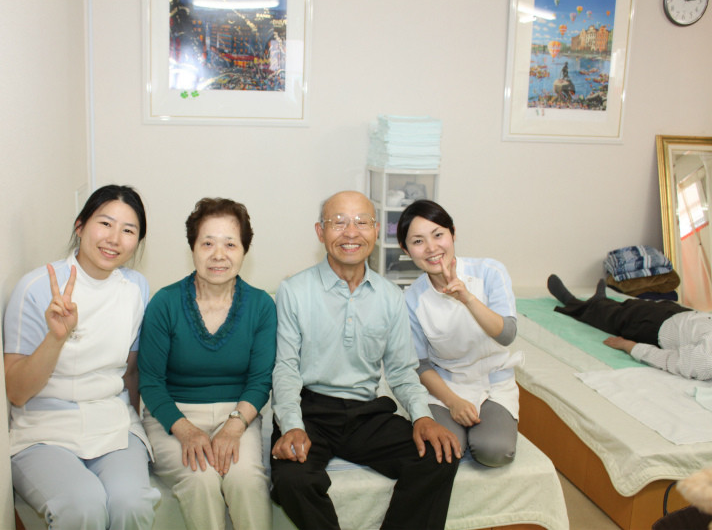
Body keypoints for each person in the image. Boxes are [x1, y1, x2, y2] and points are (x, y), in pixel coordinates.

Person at [270, 190, 461, 530]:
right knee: (291, 480)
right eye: (338, 222)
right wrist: (292, 425)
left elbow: (402, 371)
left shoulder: (390, 296)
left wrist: (422, 416)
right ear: (320, 232)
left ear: (375, 230)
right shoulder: (293, 291)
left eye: (361, 222)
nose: (350, 232)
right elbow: (285, 368)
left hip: (365, 413)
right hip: (310, 410)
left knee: (438, 457)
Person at [3, 184, 159, 530]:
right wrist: (56, 338)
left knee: (131, 504)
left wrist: (134, 423)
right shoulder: (36, 287)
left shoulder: (136, 288)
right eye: (105, 223)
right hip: (44, 429)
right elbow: (16, 391)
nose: (114, 239)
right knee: (82, 507)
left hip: (112, 421)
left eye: (128, 230)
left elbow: (130, 371)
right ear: (80, 226)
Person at [138, 197, 276, 530]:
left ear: (244, 250)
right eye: (208, 243)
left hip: (238, 415)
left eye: (230, 244)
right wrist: (184, 429)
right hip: (174, 416)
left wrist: (235, 426)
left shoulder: (261, 305)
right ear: (193, 248)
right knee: (200, 479)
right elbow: (151, 382)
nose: (218, 254)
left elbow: (260, 381)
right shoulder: (165, 303)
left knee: (247, 481)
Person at [396, 199, 522, 468]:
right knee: (443, 450)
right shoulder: (411, 300)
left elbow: (507, 334)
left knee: (494, 451)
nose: (431, 248)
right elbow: (420, 364)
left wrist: (467, 298)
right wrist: (453, 402)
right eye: (418, 241)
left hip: (493, 381)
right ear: (406, 250)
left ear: (452, 233)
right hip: (445, 387)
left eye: (438, 235)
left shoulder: (489, 272)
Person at [548, 274, 712, 380]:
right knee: (631, 305)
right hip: (681, 315)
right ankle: (601, 300)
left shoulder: (705, 361)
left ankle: (571, 302)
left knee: (613, 317)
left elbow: (670, 360)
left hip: (654, 327)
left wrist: (631, 347)